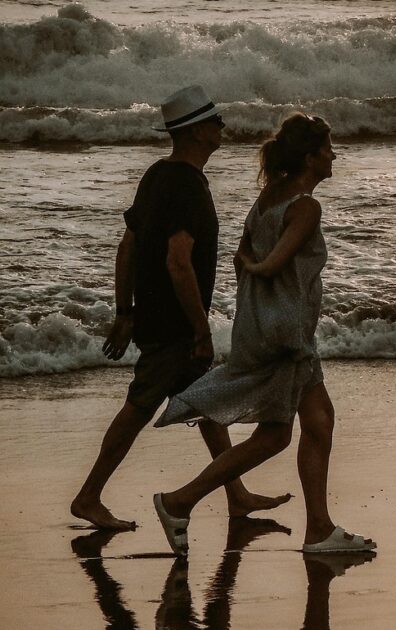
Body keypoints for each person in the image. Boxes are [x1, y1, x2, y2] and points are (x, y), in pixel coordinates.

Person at [151, 113, 375, 556]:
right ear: (311, 157)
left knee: (319, 421)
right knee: (275, 436)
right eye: (328, 148)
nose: (334, 155)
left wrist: (253, 275)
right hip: (286, 332)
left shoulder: (268, 197)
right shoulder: (306, 207)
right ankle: (179, 501)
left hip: (262, 325)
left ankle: (319, 528)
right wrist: (262, 270)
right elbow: (270, 261)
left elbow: (242, 255)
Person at [71, 85, 290, 530]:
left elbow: (128, 245)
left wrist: (125, 312)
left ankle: (237, 494)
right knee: (138, 407)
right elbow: (178, 262)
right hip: (174, 325)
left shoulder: (157, 175)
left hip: (155, 316)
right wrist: (199, 329)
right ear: (195, 133)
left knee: (207, 405)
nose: (222, 128)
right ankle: (88, 497)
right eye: (215, 122)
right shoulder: (187, 185)